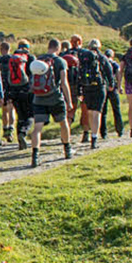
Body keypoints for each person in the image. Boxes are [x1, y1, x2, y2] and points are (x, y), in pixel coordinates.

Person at [28, 37, 75, 167]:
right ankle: (67, 149)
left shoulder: (38, 59)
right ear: (58, 48)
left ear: (48, 46)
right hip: (55, 97)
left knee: (38, 127)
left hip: (38, 98)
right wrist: (69, 101)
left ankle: (35, 156)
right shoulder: (60, 61)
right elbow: (64, 82)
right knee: (63, 122)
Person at [77, 38, 111, 149]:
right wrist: (111, 84)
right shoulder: (102, 58)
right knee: (97, 112)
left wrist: (79, 90)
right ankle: (94, 137)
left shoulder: (83, 58)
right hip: (99, 86)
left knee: (90, 112)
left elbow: (79, 73)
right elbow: (109, 71)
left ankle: (92, 134)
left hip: (87, 87)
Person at [7, 39, 35, 150]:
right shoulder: (30, 58)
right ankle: (23, 133)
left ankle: (20, 140)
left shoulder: (12, 58)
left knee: (20, 116)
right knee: (30, 115)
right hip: (27, 91)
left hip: (14, 91)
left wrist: (8, 94)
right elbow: (34, 75)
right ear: (27, 47)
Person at [101, 48, 125, 140]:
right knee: (116, 109)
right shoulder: (114, 64)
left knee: (103, 111)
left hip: (103, 88)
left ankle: (103, 132)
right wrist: (119, 86)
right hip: (113, 88)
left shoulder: (102, 63)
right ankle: (120, 130)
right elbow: (119, 75)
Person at [0, 40, 16, 144]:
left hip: (2, 86)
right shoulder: (13, 59)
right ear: (9, 49)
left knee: (4, 110)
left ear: (1, 50)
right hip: (12, 86)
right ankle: (11, 129)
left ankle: (5, 129)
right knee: (11, 109)